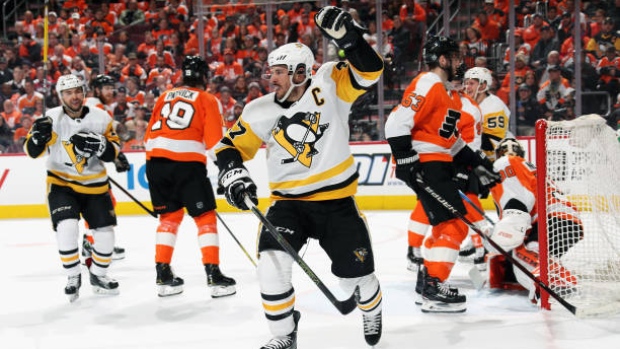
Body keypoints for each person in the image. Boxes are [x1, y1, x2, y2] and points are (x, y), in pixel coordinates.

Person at [215, 6, 384, 348]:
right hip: (287, 205)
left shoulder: (330, 83)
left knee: (358, 279)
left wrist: (350, 40)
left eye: (278, 71)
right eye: (271, 71)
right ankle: (283, 335)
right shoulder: (259, 108)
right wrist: (232, 173)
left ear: (300, 72)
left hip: (336, 203)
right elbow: (228, 147)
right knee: (270, 268)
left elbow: (370, 71)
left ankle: (371, 308)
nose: (271, 78)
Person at [385, 35, 500, 313]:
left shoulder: (449, 94)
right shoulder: (428, 82)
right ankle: (435, 285)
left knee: (444, 225)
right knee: (456, 224)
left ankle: (427, 284)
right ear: (443, 60)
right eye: (456, 57)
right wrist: (408, 161)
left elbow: (452, 141)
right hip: (427, 163)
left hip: (439, 162)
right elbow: (395, 122)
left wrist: (477, 163)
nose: (461, 63)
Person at [143, 55, 236, 299]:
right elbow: (216, 143)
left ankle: (163, 274)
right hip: (187, 164)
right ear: (204, 78)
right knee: (205, 218)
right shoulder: (207, 99)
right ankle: (214, 275)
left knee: (169, 218)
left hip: (154, 163)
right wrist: (228, 168)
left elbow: (146, 137)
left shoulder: (163, 97)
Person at [23, 74, 122, 302]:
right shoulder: (50, 118)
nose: (74, 96)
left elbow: (114, 151)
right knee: (67, 227)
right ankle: (73, 276)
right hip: (61, 183)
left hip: (95, 185)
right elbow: (31, 151)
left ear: (84, 92)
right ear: (61, 96)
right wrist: (37, 139)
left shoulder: (101, 118)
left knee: (106, 236)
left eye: (77, 91)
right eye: (68, 93)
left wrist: (103, 146)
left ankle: (98, 275)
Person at [487, 138, 582, 303]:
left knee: (523, 250)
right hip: (568, 220)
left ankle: (557, 281)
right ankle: (550, 274)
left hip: (550, 219)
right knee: (532, 250)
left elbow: (521, 199)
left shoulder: (507, 162)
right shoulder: (531, 167)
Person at [82, 74, 130, 261]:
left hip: (89, 161)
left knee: (104, 202)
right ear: (96, 90)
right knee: (100, 203)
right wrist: (116, 154)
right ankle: (93, 243)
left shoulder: (96, 105)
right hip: (87, 164)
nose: (111, 91)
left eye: (112, 88)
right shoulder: (95, 104)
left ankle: (91, 241)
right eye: (107, 88)